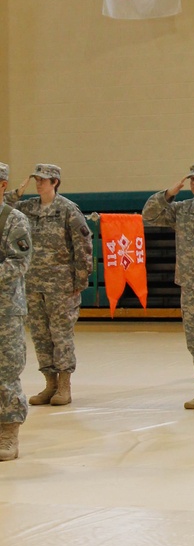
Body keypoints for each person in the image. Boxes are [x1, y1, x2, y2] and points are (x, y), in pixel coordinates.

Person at [6, 164, 92, 407]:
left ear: (55, 182)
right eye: (36, 179)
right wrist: (16, 193)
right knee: (41, 335)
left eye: (43, 179)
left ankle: (64, 385)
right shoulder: (27, 207)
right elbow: (3, 209)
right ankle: (49, 383)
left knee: (61, 335)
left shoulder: (67, 210)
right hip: (33, 283)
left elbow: (83, 245)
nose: (38, 183)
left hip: (62, 284)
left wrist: (80, 280)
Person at [143, 163, 194, 408]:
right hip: (189, 285)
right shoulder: (182, 210)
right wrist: (168, 193)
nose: (193, 183)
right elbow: (150, 215)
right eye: (191, 179)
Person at [0, 162, 32, 460]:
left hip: (5, 311)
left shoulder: (14, 221)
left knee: (5, 372)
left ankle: (8, 432)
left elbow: (18, 263)